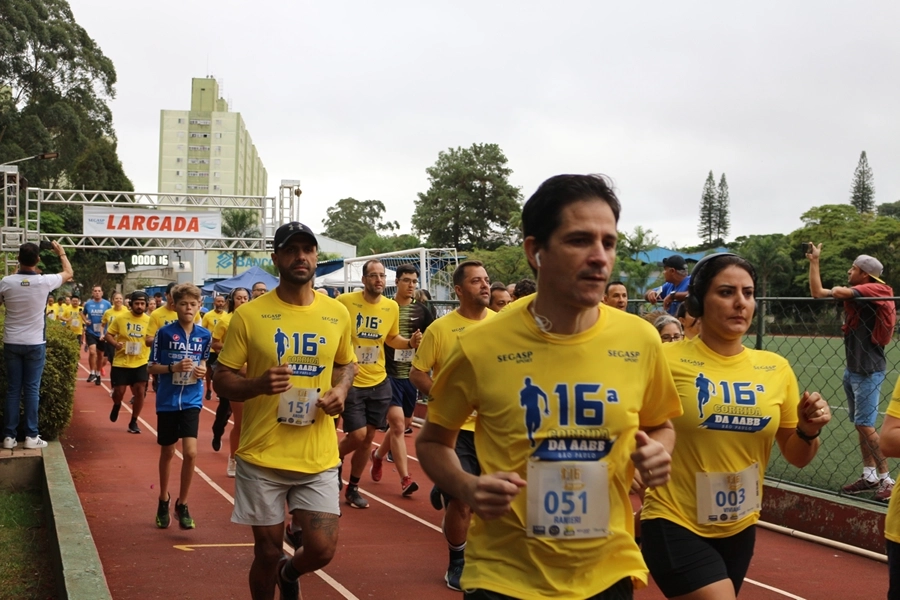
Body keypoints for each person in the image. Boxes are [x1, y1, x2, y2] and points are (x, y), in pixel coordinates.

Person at [416, 174, 683, 599]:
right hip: (503, 577)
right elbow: (432, 442)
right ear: (534, 251)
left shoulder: (641, 340)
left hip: (607, 572)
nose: (599, 257)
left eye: (608, 243)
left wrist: (659, 452)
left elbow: (662, 425)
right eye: (579, 240)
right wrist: (467, 487)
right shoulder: (480, 346)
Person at [641, 253, 831, 599]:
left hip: (741, 524)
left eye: (748, 293)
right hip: (673, 518)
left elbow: (798, 456)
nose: (740, 303)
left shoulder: (775, 368)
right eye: (726, 292)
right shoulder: (663, 361)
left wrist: (808, 429)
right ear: (698, 302)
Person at [213, 221, 357, 600]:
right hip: (263, 455)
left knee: (322, 549)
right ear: (275, 258)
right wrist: (257, 385)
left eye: (307, 249)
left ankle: (288, 573)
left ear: (316, 257)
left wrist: (341, 389)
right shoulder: (249, 315)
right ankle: (275, 569)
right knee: (266, 551)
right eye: (291, 250)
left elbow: (347, 363)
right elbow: (221, 378)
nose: (301, 257)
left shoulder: (337, 313)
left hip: (317, 454)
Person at [409, 260, 495, 591]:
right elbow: (418, 373)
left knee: (494, 501)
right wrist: (447, 401)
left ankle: (443, 484)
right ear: (458, 290)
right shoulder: (440, 330)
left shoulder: (502, 325)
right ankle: (457, 560)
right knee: (461, 500)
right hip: (454, 431)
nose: (485, 285)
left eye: (486, 280)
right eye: (476, 281)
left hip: (494, 431)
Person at [807, 244, 896, 500]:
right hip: (853, 369)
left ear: (865, 274)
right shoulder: (859, 294)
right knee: (861, 425)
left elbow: (839, 291)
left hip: (868, 370)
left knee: (865, 425)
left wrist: (839, 291)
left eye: (853, 268)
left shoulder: (877, 289)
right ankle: (869, 475)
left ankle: (886, 479)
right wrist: (814, 261)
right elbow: (817, 292)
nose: (849, 271)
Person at [336, 259, 422, 509]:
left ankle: (353, 487)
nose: (378, 280)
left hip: (379, 380)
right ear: (364, 280)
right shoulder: (344, 302)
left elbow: (392, 338)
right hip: (352, 379)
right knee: (358, 434)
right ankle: (333, 460)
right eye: (373, 275)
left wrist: (409, 343)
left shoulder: (390, 307)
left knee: (368, 438)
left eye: (382, 276)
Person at [148, 283, 211, 530]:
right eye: (183, 304)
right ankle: (163, 498)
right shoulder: (164, 333)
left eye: (193, 304)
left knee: (191, 452)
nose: (188, 308)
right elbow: (151, 367)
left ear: (199, 306)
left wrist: (202, 370)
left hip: (192, 399)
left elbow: (204, 362)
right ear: (175, 306)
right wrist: (172, 368)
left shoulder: (204, 335)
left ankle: (182, 503)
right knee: (167, 451)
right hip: (168, 400)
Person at [0, 241, 73, 450]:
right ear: (38, 260)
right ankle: (31, 436)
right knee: (32, 389)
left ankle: (9, 437)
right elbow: (69, 273)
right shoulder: (45, 281)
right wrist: (61, 253)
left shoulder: (6, 282)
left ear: (18, 259)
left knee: (13, 389)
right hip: (34, 343)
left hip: (12, 341)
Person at [371, 263, 434, 497]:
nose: (411, 285)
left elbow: (433, 339)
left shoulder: (423, 311)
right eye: (406, 280)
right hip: (387, 374)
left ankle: (378, 455)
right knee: (397, 425)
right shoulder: (387, 308)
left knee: (404, 423)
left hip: (410, 375)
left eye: (414, 281)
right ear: (396, 282)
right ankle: (405, 479)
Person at [211, 287, 250, 475]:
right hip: (235, 374)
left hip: (256, 373)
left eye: (245, 298)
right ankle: (233, 458)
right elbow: (214, 343)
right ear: (232, 301)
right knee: (239, 421)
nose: (242, 301)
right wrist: (230, 349)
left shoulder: (256, 319)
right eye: (239, 298)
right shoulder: (226, 320)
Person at [105, 291, 152, 434]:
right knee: (119, 392)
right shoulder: (121, 318)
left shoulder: (150, 320)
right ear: (131, 304)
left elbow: (152, 338)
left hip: (141, 361)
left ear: (146, 305)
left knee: (140, 391)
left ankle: (134, 421)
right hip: (121, 362)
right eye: (137, 303)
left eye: (142, 304)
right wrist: (115, 344)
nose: (139, 306)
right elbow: (108, 335)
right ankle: (117, 404)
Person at [83, 285, 112, 385]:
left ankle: (98, 373)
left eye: (99, 291)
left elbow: (111, 315)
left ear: (102, 293)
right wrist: (86, 320)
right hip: (91, 332)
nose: (97, 293)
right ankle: (92, 373)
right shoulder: (88, 304)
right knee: (92, 352)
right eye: (95, 291)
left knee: (100, 355)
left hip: (102, 333)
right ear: (92, 293)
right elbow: (82, 313)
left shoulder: (107, 304)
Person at [201, 294, 227, 401]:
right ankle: (208, 389)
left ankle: (220, 392)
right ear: (214, 303)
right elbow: (203, 331)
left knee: (221, 370)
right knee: (209, 370)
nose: (220, 303)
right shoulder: (208, 315)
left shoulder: (227, 315)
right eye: (218, 301)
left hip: (222, 347)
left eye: (222, 301)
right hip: (211, 347)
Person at [101, 293, 128, 369]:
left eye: (120, 298)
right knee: (113, 361)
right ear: (112, 300)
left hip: (123, 340)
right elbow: (102, 325)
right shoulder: (108, 312)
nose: (118, 300)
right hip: (111, 340)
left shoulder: (126, 311)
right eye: (116, 298)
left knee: (123, 361)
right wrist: (102, 334)